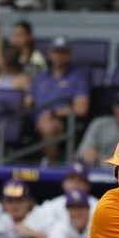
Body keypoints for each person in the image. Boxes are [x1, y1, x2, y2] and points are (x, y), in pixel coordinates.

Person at [29, 35, 90, 167]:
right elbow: (27, 102)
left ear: (70, 55)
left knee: (48, 125)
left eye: (63, 52)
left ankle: (48, 165)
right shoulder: (39, 78)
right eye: (56, 52)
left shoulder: (78, 78)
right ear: (50, 53)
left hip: (62, 120)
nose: (59, 56)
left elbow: (81, 109)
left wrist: (55, 113)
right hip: (33, 119)